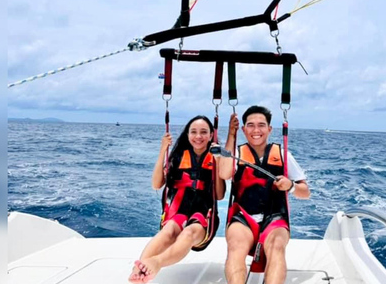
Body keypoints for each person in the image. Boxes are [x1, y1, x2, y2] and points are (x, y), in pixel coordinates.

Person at [217, 106, 310, 284]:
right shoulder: (236, 153)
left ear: (269, 129)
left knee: (276, 248)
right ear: (243, 129)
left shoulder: (283, 155)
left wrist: (290, 186)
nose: (256, 130)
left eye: (261, 125)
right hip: (243, 217)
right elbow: (224, 173)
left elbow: (305, 193)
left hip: (275, 218)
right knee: (235, 246)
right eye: (250, 125)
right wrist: (231, 135)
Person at [129, 115, 225, 283]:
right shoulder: (178, 157)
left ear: (211, 136)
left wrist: (218, 164)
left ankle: (156, 262)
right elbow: (156, 184)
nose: (198, 136)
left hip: (203, 217)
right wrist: (162, 150)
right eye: (194, 132)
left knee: (188, 233)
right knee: (169, 230)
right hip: (178, 212)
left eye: (204, 132)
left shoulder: (216, 159)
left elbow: (219, 195)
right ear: (187, 135)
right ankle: (138, 269)